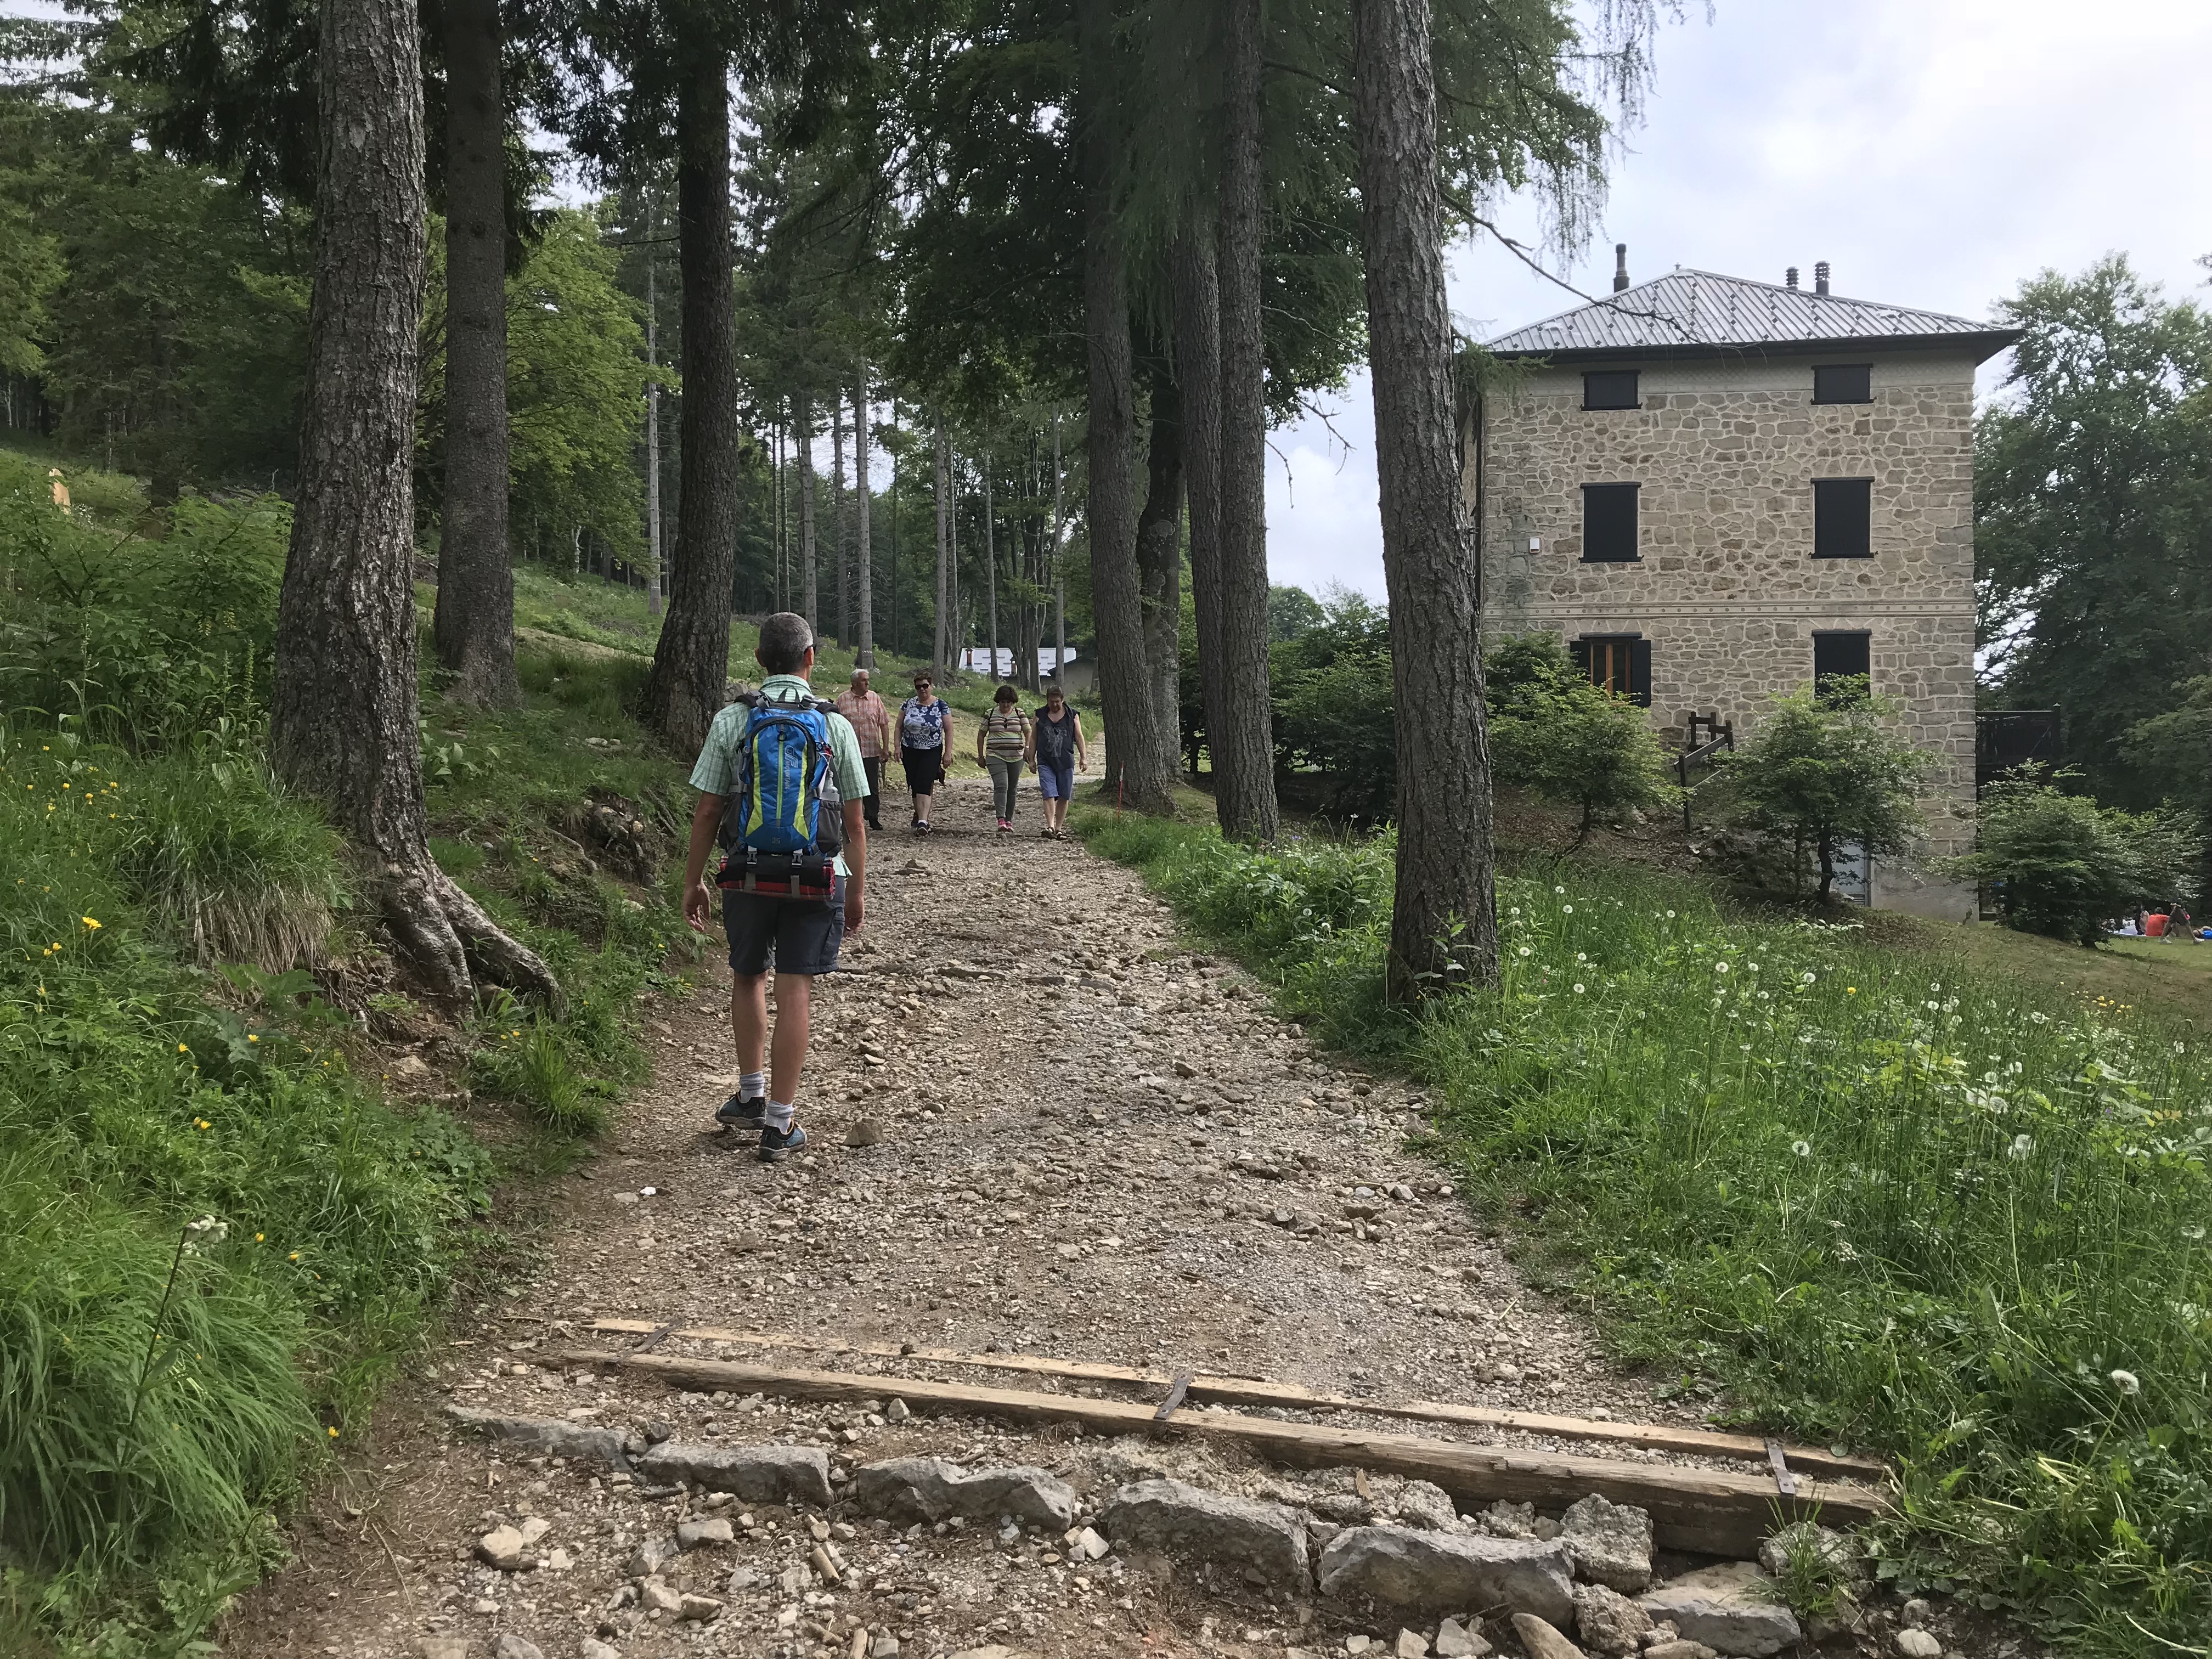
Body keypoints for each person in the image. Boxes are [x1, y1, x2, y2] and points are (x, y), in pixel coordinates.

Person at [681, 613, 868, 1162]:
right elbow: (855, 823)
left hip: (746, 871)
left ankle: (750, 1094)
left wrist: (694, 882)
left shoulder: (733, 720)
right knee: (796, 990)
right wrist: (855, 891)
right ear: (811, 659)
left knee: (747, 977)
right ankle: (781, 1125)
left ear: (760, 660)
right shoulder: (835, 726)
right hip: (817, 875)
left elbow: (709, 810)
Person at [835, 667, 893, 832]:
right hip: (849, 752)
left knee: (872, 786)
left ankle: (873, 817)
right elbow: (834, 722)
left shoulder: (875, 698)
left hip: (870, 750)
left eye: (868, 680)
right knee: (847, 786)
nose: (867, 683)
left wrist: (885, 748)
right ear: (854, 683)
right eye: (863, 680)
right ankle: (848, 819)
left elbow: (884, 723)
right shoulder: (842, 700)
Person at [899, 672, 954, 833]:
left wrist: (948, 753)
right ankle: (920, 815)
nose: (922, 690)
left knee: (925, 781)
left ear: (931, 686)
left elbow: (949, 730)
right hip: (910, 749)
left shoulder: (941, 705)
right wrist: (896, 746)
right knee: (915, 783)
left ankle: (923, 821)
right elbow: (898, 727)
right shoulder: (908, 704)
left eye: (925, 686)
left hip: (931, 749)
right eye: (918, 687)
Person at [1031, 683, 1087, 838]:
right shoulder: (1040, 715)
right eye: (1051, 701)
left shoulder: (1072, 715)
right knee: (1048, 793)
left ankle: (1059, 828)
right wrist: (1031, 759)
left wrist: (1083, 757)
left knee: (1064, 795)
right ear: (1047, 700)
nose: (1054, 705)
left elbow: (1079, 736)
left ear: (1062, 700)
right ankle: (1049, 826)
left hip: (1066, 761)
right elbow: (1033, 737)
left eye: (1057, 701)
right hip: (1045, 760)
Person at [977, 683, 1029, 832]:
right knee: (1002, 786)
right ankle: (1000, 819)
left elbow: (1028, 731)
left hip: (1016, 757)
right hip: (995, 755)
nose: (1005, 705)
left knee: (1012, 789)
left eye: (1008, 702)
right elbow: (981, 734)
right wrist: (980, 755)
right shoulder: (990, 713)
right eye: (1002, 702)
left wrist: (1028, 748)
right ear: (998, 702)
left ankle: (1009, 820)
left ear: (1013, 702)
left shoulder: (1020, 713)